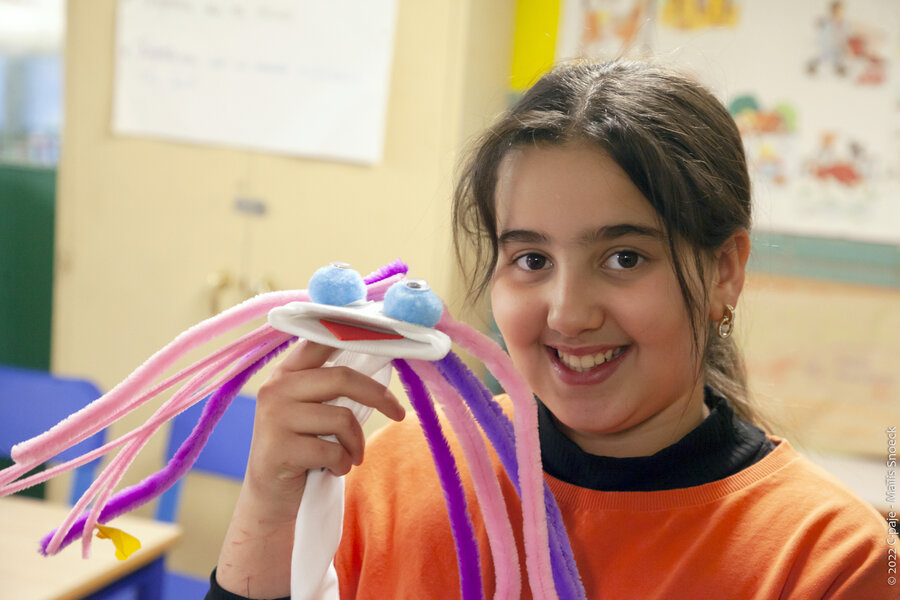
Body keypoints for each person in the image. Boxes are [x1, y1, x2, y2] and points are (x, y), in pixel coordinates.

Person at [207, 60, 890, 599]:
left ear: (724, 272)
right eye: (531, 259)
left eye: (624, 257)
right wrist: (270, 506)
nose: (567, 312)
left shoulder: (830, 559)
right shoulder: (391, 476)